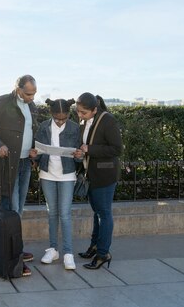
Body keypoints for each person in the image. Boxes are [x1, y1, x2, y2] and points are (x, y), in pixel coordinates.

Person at [0, 74, 39, 277]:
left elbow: (29, 132)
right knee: (10, 209)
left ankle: (14, 251)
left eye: (34, 93)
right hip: (7, 166)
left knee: (17, 210)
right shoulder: (3, 102)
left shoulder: (32, 107)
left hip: (24, 163)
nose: (31, 97)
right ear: (18, 89)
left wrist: (32, 149)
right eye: (28, 94)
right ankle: (12, 258)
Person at [73, 92, 122, 270]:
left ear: (94, 109)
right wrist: (80, 151)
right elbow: (85, 145)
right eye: (78, 112)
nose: (80, 115)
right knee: (97, 213)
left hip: (104, 176)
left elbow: (117, 149)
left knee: (104, 214)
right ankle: (95, 247)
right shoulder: (87, 120)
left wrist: (90, 149)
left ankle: (103, 253)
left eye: (83, 113)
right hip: (91, 174)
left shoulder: (107, 120)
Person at [35, 98, 82, 270]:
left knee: (65, 213)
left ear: (69, 114)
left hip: (67, 174)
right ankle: (53, 249)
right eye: (57, 118)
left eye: (64, 118)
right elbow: (38, 152)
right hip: (47, 173)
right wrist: (35, 154)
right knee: (52, 212)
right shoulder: (43, 127)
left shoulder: (75, 128)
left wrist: (79, 155)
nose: (61, 121)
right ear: (51, 114)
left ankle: (68, 253)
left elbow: (80, 153)